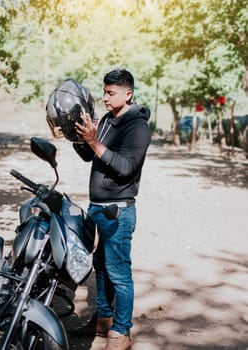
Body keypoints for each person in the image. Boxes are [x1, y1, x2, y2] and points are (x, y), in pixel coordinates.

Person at [71, 68, 151, 350]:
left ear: (127, 94)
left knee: (119, 272)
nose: (104, 97)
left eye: (111, 93)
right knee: (101, 268)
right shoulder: (106, 119)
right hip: (97, 208)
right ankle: (104, 319)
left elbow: (126, 167)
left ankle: (121, 331)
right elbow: (88, 155)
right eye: (104, 91)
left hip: (118, 211)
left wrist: (94, 140)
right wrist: (78, 134)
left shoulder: (137, 127)